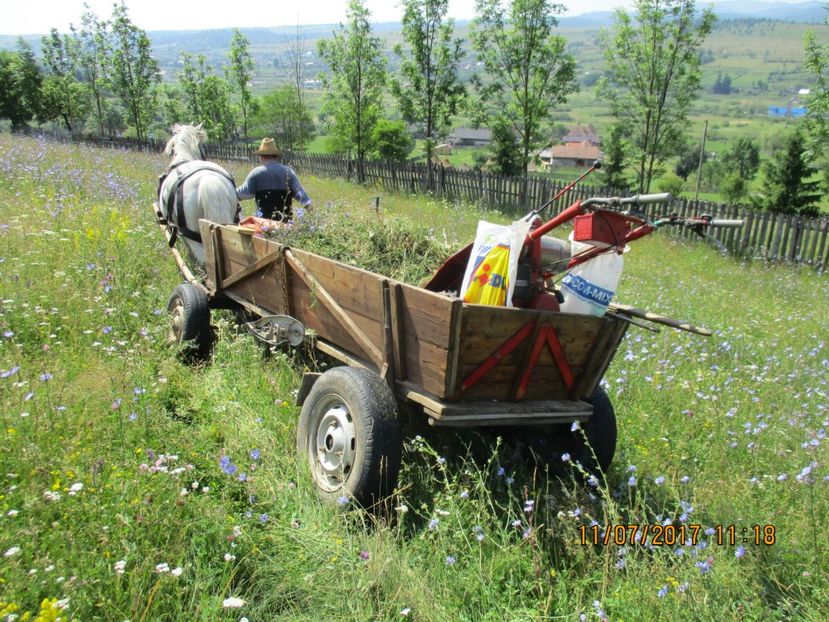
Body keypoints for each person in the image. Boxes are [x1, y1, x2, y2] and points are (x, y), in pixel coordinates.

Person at [236, 137, 312, 221]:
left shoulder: (256, 173)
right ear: (276, 156)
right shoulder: (288, 172)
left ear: (261, 156)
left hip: (263, 225)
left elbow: (242, 194)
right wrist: (309, 209)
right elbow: (302, 196)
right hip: (285, 226)